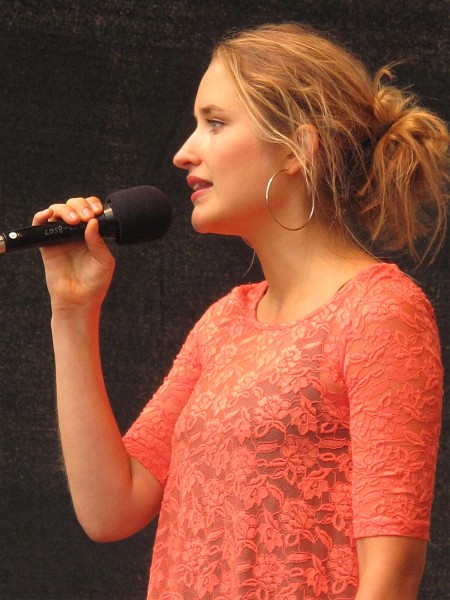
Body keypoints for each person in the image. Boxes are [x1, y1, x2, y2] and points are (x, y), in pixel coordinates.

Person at [33, 22, 448, 600]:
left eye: (216, 122)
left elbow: (392, 576)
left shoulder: (380, 311)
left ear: (300, 148)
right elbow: (110, 507)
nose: (183, 152)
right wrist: (73, 312)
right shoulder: (224, 322)